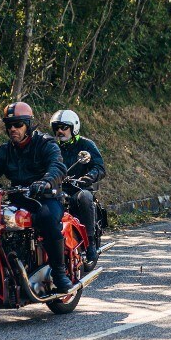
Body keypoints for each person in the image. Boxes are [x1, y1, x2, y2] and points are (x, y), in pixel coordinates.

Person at [0, 102, 75, 293]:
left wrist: (46, 182)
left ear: (28, 124)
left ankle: (59, 273)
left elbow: (57, 166)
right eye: (9, 125)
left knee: (46, 218)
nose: (12, 129)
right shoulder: (5, 151)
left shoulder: (45, 143)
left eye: (17, 124)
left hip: (46, 197)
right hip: (19, 199)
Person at [50, 109, 106, 265]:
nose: (60, 131)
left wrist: (86, 179)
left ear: (73, 127)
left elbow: (99, 168)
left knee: (85, 197)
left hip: (78, 188)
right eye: (56, 127)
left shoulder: (86, 145)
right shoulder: (51, 146)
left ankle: (90, 245)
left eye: (64, 127)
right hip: (56, 189)